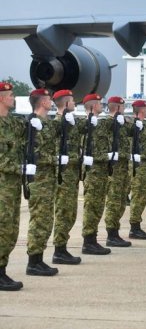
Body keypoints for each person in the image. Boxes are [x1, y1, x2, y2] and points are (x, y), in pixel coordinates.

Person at [25, 88, 59, 276]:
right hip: (38, 179)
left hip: (49, 179)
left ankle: (39, 259)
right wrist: (55, 159)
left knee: (46, 219)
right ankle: (33, 261)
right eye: (48, 98)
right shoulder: (31, 123)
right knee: (38, 218)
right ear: (41, 102)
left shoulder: (46, 123)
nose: (50, 101)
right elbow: (33, 152)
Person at [51, 89, 83, 264]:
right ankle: (59, 250)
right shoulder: (56, 124)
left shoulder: (71, 122)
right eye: (72, 101)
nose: (74, 103)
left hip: (73, 174)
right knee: (63, 211)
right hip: (63, 175)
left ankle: (63, 247)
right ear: (65, 103)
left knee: (70, 212)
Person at [0, 82, 25, 290]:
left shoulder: (13, 123)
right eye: (10, 95)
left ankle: (2, 270)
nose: (13, 98)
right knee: (1, 227)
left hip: (12, 185)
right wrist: (19, 168)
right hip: (2, 185)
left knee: (11, 229)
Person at [80, 93, 112, 255]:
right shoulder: (83, 124)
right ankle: (88, 241)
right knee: (92, 205)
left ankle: (93, 239)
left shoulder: (98, 124)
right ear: (92, 105)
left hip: (101, 171)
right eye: (99, 103)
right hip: (92, 172)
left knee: (98, 205)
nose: (102, 105)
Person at [103, 96, 133, 247]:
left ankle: (115, 231)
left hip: (123, 167)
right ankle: (111, 234)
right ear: (118, 107)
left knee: (121, 201)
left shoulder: (121, 122)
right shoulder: (106, 123)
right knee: (114, 201)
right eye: (122, 107)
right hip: (113, 168)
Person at [128, 100, 146, 239]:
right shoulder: (131, 126)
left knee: (143, 196)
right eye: (145, 108)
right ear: (141, 110)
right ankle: (134, 227)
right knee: (138, 195)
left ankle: (137, 225)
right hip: (137, 166)